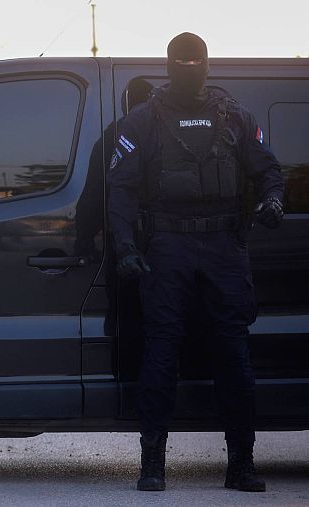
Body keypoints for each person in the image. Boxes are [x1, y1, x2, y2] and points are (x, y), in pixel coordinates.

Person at [107, 32, 284, 493]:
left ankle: (241, 464)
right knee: (161, 350)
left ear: (208, 65)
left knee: (233, 353)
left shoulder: (236, 118)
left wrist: (273, 200)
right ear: (168, 65)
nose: (190, 68)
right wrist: (125, 246)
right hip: (167, 246)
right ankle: (153, 465)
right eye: (182, 61)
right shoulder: (141, 122)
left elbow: (268, 170)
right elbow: (121, 189)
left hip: (225, 246)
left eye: (196, 61)